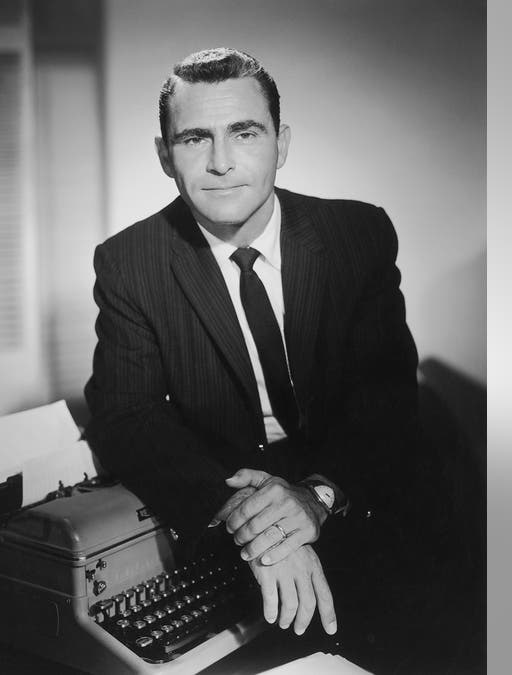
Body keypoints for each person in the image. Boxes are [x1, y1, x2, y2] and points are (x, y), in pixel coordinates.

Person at [84, 47, 473, 671]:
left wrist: (316, 497)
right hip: (236, 515)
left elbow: (386, 397)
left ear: (280, 143)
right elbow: (127, 415)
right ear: (164, 156)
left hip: (370, 499)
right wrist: (254, 522)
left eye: (244, 132)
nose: (220, 162)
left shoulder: (357, 235)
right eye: (193, 138)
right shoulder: (130, 262)